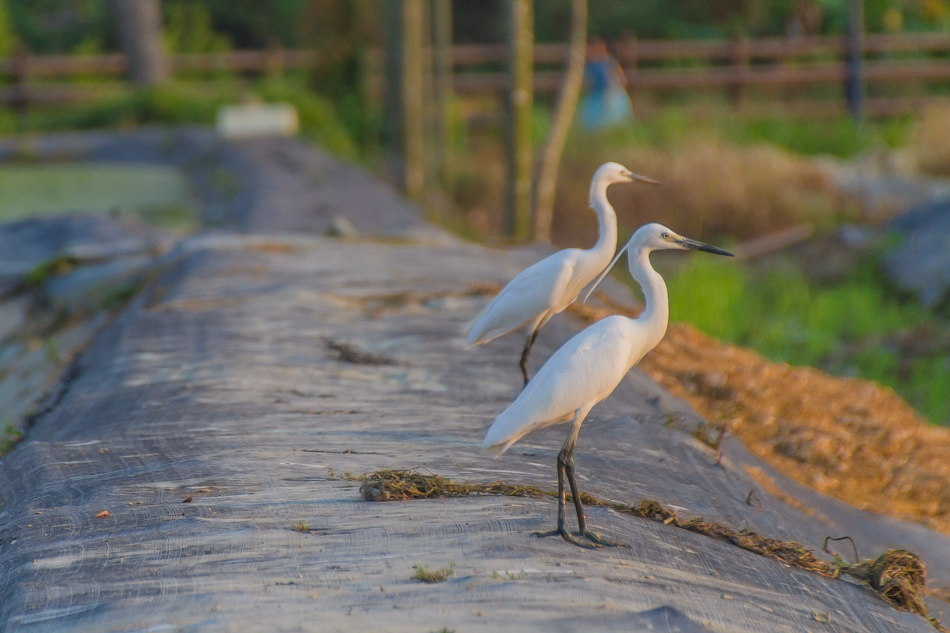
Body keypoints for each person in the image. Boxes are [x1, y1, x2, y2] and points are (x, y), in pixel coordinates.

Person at [580, 36, 633, 130]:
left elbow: (621, 80)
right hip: (595, 98)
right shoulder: (589, 65)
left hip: (610, 96)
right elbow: (586, 83)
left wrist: (613, 93)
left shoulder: (608, 62)